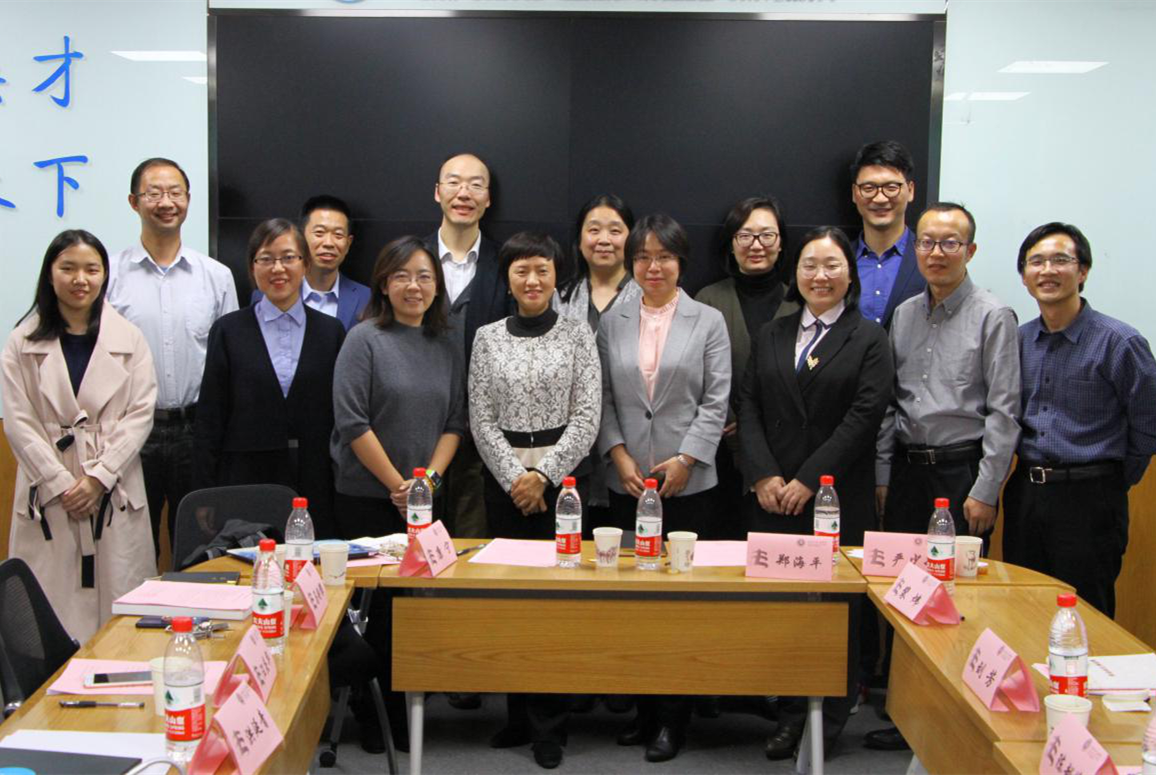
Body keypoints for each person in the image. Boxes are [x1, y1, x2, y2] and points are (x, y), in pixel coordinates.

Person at [867, 203, 1020, 752]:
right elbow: (890, 403)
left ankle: (950, 717)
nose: (936, 253)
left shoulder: (993, 315)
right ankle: (908, 710)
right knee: (906, 591)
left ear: (970, 251)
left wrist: (985, 489)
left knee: (956, 597)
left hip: (961, 472)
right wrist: (884, 471)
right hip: (908, 469)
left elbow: (1005, 412)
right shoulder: (905, 313)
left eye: (949, 243)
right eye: (927, 242)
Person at [739, 226, 893, 759]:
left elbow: (864, 417)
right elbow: (748, 405)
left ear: (850, 274)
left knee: (835, 613)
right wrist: (763, 474)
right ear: (796, 272)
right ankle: (788, 713)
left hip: (834, 497)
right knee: (783, 610)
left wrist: (809, 479)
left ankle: (827, 719)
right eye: (809, 265)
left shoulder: (869, 338)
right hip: (773, 497)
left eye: (831, 265)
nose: (820, 275)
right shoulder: (773, 333)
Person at [597, 213, 731, 763]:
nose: (654, 267)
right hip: (627, 482)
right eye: (643, 258)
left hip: (689, 485)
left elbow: (717, 400)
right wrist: (618, 453)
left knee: (680, 602)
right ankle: (643, 712)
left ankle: (674, 718)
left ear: (681, 262)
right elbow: (602, 397)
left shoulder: (708, 320)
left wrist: (687, 459)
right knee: (633, 600)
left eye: (665, 257)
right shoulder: (613, 319)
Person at [468, 232, 601, 770]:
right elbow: (480, 418)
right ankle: (518, 716)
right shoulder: (486, 338)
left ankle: (551, 724)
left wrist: (542, 475)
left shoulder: (578, 334)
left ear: (555, 276)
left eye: (542, 270)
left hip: (562, 487)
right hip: (504, 487)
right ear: (507, 278)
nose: (532, 280)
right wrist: (515, 478)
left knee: (555, 605)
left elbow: (587, 415)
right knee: (509, 602)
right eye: (521, 270)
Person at [2, 230, 158, 643]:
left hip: (112, 489)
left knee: (121, 614)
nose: (80, 279)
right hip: (50, 491)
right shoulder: (21, 342)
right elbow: (18, 421)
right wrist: (60, 483)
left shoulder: (130, 339)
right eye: (68, 268)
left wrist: (98, 478)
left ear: (105, 275)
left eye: (92, 269)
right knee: (49, 612)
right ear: (49, 274)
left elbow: (140, 415)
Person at [1004, 222, 1156, 617]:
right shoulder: (1018, 340)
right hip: (1026, 493)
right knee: (1023, 609)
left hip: (1091, 498)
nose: (1047, 271)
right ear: (1024, 276)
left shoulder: (1119, 342)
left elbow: (1148, 423)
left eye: (1060, 260)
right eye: (1036, 262)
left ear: (1083, 271)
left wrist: (1112, 478)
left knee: (1087, 613)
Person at [107, 157, 238, 561]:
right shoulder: (109, 275)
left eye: (175, 193)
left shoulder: (216, 276)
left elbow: (229, 365)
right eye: (154, 193)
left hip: (196, 431)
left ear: (188, 200)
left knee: (198, 548)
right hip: (130, 431)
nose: (166, 202)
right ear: (134, 202)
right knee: (129, 549)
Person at [194, 218, 345, 541]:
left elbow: (339, 416)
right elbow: (210, 416)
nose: (278, 268)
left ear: (305, 264)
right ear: (252, 267)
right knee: (250, 564)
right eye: (266, 258)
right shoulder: (228, 330)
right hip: (246, 480)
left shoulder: (331, 332)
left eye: (288, 257)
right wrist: (205, 491)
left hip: (315, 479)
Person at [331, 235, 465, 539]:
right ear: (384, 284)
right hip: (366, 498)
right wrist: (401, 489)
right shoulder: (362, 339)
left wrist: (426, 485)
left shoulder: (447, 345)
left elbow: (455, 424)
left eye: (424, 277)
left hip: (427, 497)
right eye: (401, 276)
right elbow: (352, 422)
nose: (413, 286)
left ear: (437, 287)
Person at [423, 151, 512, 545]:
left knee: (474, 542)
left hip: (485, 433)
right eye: (454, 183)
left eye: (476, 185)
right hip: (420, 425)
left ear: (488, 199)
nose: (464, 193)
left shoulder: (506, 263)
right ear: (437, 192)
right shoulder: (411, 259)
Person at [697, 196, 799, 539]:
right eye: (745, 235)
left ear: (781, 243)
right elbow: (693, 373)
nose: (756, 245)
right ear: (731, 243)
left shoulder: (800, 304)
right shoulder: (707, 300)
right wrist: (727, 419)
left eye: (766, 235)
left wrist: (756, 427)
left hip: (782, 458)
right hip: (716, 450)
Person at [555, 193, 640, 534]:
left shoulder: (652, 297)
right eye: (594, 230)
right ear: (579, 239)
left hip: (633, 451)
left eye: (615, 230)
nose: (604, 239)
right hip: (568, 452)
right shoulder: (556, 298)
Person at [251, 195, 371, 331]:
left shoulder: (366, 298)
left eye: (338, 235)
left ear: (348, 243)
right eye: (319, 233)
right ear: (301, 238)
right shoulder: (267, 294)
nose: (328, 243)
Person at [850, 141, 926, 329]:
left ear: (911, 190)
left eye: (891, 187)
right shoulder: (840, 259)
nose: (880, 198)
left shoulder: (929, 257)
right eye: (869, 188)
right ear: (854, 193)